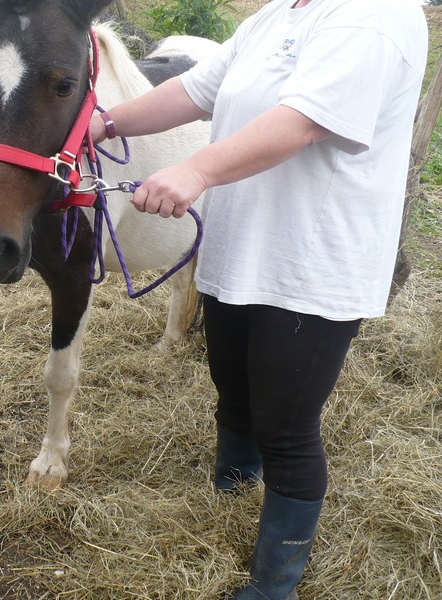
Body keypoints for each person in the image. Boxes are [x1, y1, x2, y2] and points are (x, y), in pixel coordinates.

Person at [89, 0, 427, 598]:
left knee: (287, 423)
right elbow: (193, 92)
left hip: (311, 260)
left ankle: (274, 585)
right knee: (234, 389)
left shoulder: (376, 14)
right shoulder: (276, 17)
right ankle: (233, 495)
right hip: (242, 245)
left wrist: (194, 170)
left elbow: (303, 121)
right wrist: (104, 124)